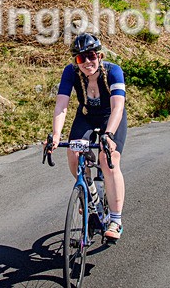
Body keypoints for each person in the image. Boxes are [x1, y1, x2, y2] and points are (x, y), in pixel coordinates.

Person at [49, 33, 128, 241]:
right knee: (74, 155)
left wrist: (109, 135)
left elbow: (118, 107)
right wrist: (56, 135)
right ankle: (89, 193)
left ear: (99, 55)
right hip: (85, 116)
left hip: (110, 118)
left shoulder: (113, 71)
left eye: (91, 56)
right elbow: (61, 105)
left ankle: (116, 220)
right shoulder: (71, 72)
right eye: (80, 58)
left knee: (108, 160)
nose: (86, 62)